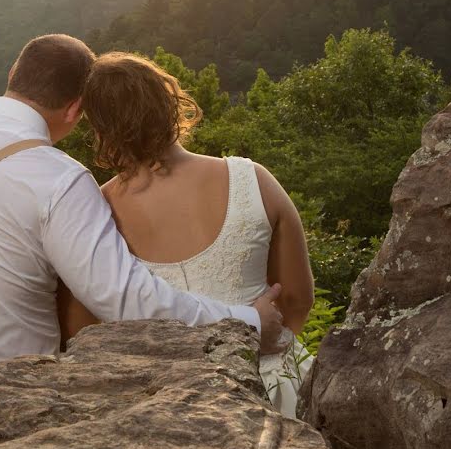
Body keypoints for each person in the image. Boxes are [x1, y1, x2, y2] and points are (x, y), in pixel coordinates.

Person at [0, 34, 287, 386]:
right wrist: (246, 320)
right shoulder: (60, 178)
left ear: (12, 78)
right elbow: (125, 301)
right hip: (5, 391)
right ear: (75, 109)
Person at [59, 51, 315, 417]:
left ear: (100, 128)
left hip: (166, 403)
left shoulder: (94, 211)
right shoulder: (252, 179)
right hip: (275, 386)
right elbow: (297, 301)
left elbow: (81, 330)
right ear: (170, 100)